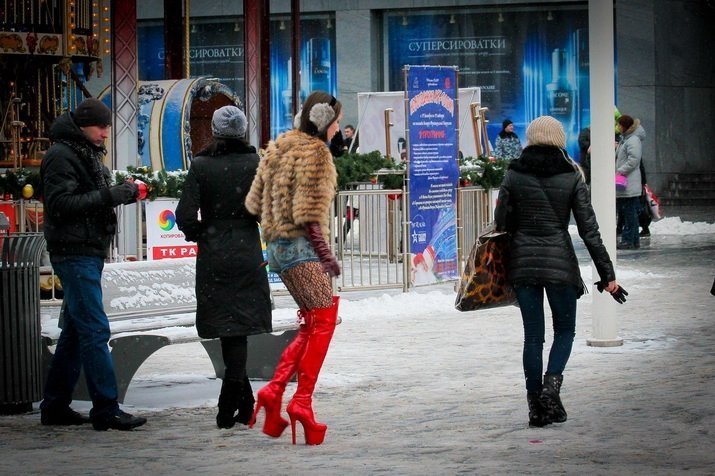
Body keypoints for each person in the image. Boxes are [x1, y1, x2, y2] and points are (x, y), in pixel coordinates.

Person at [494, 115, 622, 428]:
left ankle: (535, 405)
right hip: (560, 265)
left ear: (530, 139)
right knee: (565, 330)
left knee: (533, 336)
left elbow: (501, 223)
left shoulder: (513, 174)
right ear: (560, 141)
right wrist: (607, 275)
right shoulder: (572, 175)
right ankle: (551, 389)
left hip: (523, 264)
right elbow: (589, 230)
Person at [40, 98, 147, 431]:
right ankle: (106, 408)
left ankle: (55, 405)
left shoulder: (84, 152)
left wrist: (121, 192)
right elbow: (61, 204)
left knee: (76, 331)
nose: (105, 133)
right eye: (101, 127)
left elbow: (87, 196)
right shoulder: (62, 155)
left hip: (86, 249)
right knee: (95, 329)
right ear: (84, 126)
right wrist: (111, 196)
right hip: (74, 251)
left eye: (107, 127)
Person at [245, 90, 342, 446]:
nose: (337, 129)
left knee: (311, 323)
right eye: (335, 122)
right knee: (325, 321)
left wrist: (276, 233)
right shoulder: (316, 152)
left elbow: (253, 204)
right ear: (323, 120)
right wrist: (326, 256)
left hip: (279, 250)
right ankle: (301, 401)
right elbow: (309, 212)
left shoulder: (279, 147)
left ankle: (274, 392)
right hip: (303, 248)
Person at [175, 105, 272, 429]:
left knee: (229, 329)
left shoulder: (201, 165)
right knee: (238, 328)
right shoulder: (256, 164)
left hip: (214, 254)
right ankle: (242, 405)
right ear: (242, 131)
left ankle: (229, 406)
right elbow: (266, 210)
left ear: (215, 131)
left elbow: (185, 215)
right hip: (246, 252)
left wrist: (202, 233)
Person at [615, 114, 643, 249]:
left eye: (619, 124)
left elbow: (633, 160)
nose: (617, 127)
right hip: (626, 183)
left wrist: (620, 171)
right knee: (629, 213)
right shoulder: (626, 139)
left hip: (629, 183)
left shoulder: (632, 140)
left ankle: (628, 240)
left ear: (624, 126)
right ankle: (633, 240)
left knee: (629, 214)